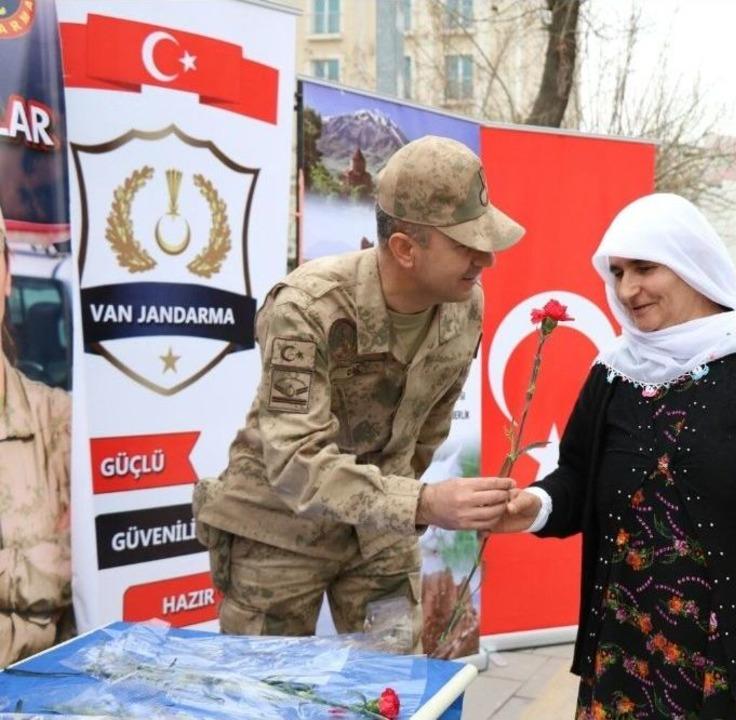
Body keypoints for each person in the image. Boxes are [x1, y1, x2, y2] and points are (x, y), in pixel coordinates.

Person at [495, 194, 736, 719]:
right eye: (619, 272)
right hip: (628, 646)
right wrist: (535, 505)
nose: (628, 288)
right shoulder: (616, 371)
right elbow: (580, 475)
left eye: (646, 268)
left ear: (691, 263)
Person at [193, 136, 522, 643]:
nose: (487, 261)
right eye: (466, 245)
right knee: (267, 693)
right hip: (279, 529)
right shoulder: (307, 307)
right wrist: (422, 503)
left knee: (392, 692)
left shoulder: (465, 307)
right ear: (405, 249)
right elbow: (295, 460)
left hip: (380, 532)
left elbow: (428, 429)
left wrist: (403, 503)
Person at [0, 205, 74, 666]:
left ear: (6, 278)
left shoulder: (59, 423)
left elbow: (90, 568)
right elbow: (63, 570)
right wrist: (42, 567)